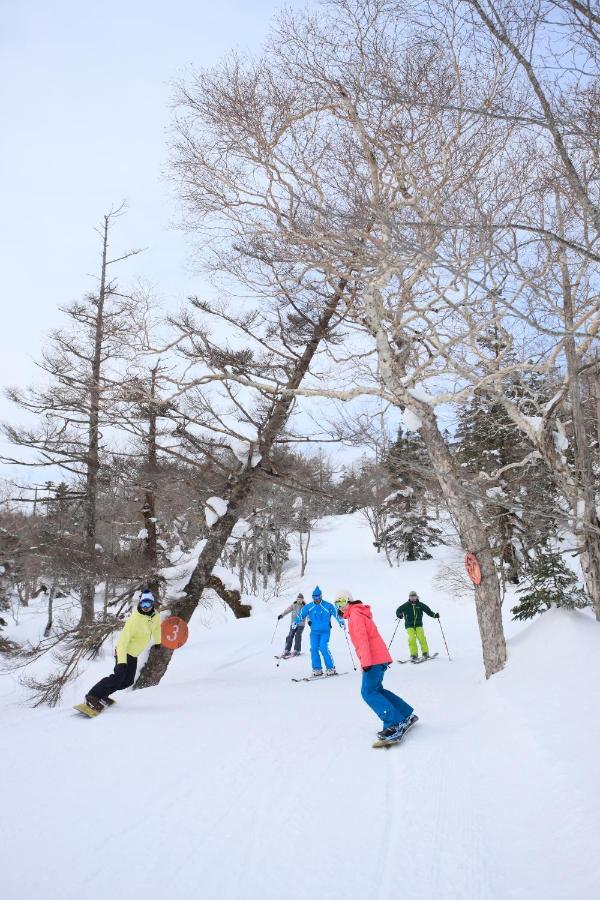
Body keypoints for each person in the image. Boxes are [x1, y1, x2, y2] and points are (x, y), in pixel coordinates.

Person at [336, 589, 417, 740]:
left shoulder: (355, 615)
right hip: (379, 658)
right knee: (377, 690)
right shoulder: (358, 613)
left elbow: (362, 640)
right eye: (337, 603)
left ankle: (394, 724)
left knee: (368, 692)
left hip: (373, 659)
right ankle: (405, 714)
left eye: (342, 601)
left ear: (349, 601)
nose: (340, 606)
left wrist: (365, 662)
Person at [83, 590, 162, 711]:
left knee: (128, 682)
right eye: (143, 604)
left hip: (133, 654)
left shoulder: (155, 616)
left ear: (152, 604)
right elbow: (122, 643)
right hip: (123, 652)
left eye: (148, 604)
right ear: (140, 604)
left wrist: (158, 642)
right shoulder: (134, 621)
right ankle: (92, 696)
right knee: (117, 678)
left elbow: (156, 629)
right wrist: (121, 662)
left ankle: (103, 695)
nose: (145, 607)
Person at [295, 585, 344, 676]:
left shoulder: (328, 605)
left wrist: (341, 622)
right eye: (314, 597)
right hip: (314, 632)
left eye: (318, 597)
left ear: (321, 596)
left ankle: (331, 668)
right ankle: (317, 669)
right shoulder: (309, 606)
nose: (316, 599)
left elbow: (336, 614)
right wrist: (295, 622)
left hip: (325, 631)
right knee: (313, 649)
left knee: (323, 647)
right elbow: (301, 615)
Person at [396, 590, 439, 662]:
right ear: (409, 597)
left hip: (419, 624)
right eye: (411, 596)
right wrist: (399, 615)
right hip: (409, 625)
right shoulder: (406, 605)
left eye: (414, 596)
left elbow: (428, 611)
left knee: (421, 637)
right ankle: (414, 654)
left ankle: (425, 653)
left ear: (416, 597)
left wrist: (434, 615)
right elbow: (398, 610)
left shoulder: (420, 605)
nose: (413, 598)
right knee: (412, 638)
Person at [278, 593, 306, 657]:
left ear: (302, 600)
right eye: (298, 599)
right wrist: (282, 615)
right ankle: (287, 650)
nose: (299, 600)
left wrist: (309, 621)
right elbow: (287, 610)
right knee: (290, 635)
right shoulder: (294, 605)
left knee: (298, 635)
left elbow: (308, 615)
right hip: (293, 624)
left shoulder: (305, 607)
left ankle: (297, 650)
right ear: (296, 599)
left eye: (300, 599)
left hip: (301, 624)